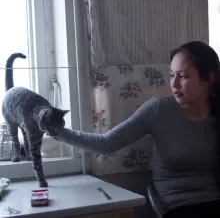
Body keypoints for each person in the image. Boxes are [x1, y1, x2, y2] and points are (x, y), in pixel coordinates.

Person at [48, 41, 220, 218]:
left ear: (208, 79)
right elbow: (107, 143)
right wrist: (57, 131)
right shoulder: (158, 109)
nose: (174, 84)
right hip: (177, 205)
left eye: (183, 76)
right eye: (171, 75)